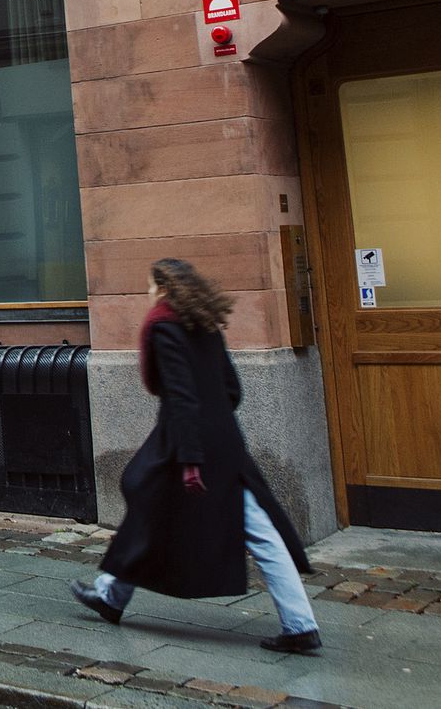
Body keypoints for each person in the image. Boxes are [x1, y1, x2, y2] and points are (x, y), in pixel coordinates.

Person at [71, 257, 321, 655]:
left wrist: (189, 460)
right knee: (252, 529)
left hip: (183, 443)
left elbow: (180, 396)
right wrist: (214, 422)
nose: (148, 293)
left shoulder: (162, 327)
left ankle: (300, 625)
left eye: (150, 285)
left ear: (163, 288)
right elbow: (232, 389)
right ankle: (111, 596)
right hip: (222, 439)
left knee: (148, 506)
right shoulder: (206, 324)